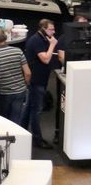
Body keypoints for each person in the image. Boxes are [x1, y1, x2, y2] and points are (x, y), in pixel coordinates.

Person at [24, 19, 59, 149]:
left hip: (40, 79)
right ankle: (37, 140)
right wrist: (52, 45)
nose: (53, 32)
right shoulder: (37, 40)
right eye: (51, 29)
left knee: (28, 108)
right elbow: (45, 59)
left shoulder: (43, 39)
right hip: (36, 80)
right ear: (43, 29)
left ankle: (22, 131)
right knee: (36, 110)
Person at [0, 28, 30, 126]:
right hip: (19, 91)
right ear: (5, 37)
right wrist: (25, 85)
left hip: (3, 93)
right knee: (16, 120)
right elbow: (27, 73)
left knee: (4, 121)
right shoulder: (18, 51)